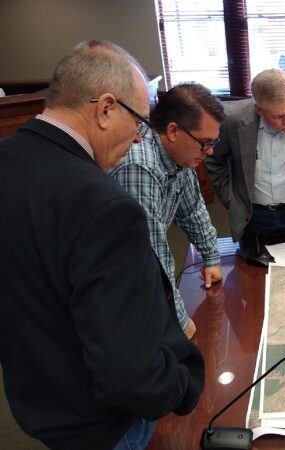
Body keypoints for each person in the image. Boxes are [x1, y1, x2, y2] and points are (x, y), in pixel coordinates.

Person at [0, 41, 204, 450]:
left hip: (39, 404)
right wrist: (183, 386)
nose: (139, 138)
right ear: (106, 108)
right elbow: (130, 373)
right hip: (107, 425)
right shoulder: (106, 206)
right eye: (141, 123)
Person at [111, 82, 224, 339]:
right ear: (173, 131)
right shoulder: (140, 167)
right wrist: (180, 322)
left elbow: (193, 210)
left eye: (214, 142)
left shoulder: (180, 156)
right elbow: (152, 258)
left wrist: (212, 257)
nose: (210, 151)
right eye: (204, 142)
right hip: (120, 293)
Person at [205, 68, 285, 244]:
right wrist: (232, 200)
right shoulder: (231, 119)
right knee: (250, 267)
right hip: (252, 214)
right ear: (259, 109)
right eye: (278, 116)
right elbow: (214, 162)